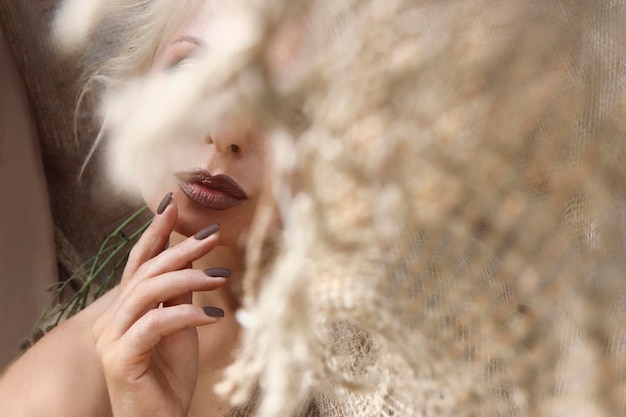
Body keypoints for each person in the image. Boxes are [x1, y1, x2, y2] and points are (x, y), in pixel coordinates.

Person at [0, 1, 296, 416]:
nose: (225, 131)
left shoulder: (386, 341)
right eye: (192, 72)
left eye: (282, 105)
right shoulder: (51, 395)